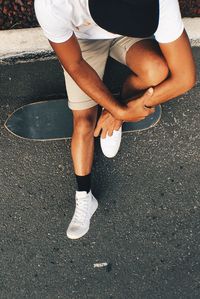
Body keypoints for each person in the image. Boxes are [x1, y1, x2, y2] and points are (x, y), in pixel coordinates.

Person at [34, 0, 196, 239]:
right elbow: (75, 65)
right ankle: (85, 197)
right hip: (82, 42)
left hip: (126, 38)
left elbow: (185, 78)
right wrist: (121, 110)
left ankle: (116, 113)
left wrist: (122, 110)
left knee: (157, 70)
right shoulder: (51, 4)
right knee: (83, 123)